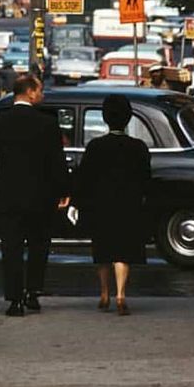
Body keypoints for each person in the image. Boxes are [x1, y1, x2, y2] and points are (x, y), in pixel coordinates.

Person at [0, 73, 69, 316]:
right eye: (39, 90)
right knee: (39, 245)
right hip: (41, 195)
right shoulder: (48, 123)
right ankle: (33, 292)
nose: (42, 94)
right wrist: (63, 189)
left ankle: (14, 299)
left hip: (9, 193)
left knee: (12, 247)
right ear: (29, 92)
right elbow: (56, 161)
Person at [73, 95, 151, 316]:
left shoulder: (95, 147)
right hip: (128, 204)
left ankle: (104, 293)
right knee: (123, 252)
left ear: (106, 118)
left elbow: (84, 178)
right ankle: (121, 295)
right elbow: (146, 178)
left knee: (104, 251)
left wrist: (78, 202)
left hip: (101, 204)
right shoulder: (138, 147)